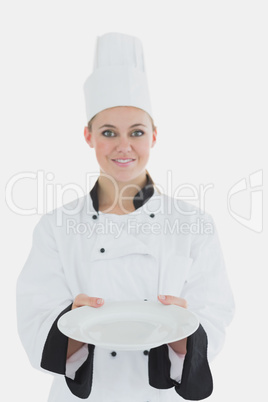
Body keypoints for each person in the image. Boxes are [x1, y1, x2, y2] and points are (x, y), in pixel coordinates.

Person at [16, 32, 235, 402]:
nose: (124, 146)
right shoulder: (56, 226)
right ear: (88, 136)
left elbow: (215, 313)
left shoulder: (192, 223)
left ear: (154, 136)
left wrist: (185, 331)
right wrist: (71, 320)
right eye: (108, 133)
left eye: (136, 132)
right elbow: (35, 318)